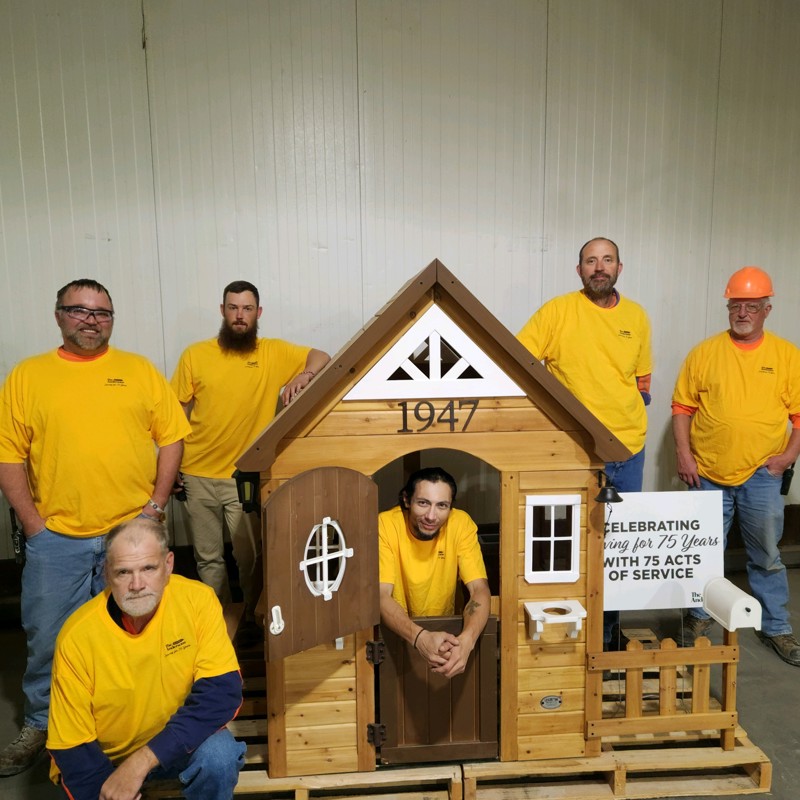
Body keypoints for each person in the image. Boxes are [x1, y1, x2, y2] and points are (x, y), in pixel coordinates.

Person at [0, 279, 190, 777]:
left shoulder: (138, 371)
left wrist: (155, 506)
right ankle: (42, 724)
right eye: (79, 311)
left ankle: (130, 723)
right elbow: (9, 456)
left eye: (102, 313)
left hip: (129, 537)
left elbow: (172, 438)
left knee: (136, 630)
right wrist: (34, 526)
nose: (91, 319)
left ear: (112, 319)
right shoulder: (28, 376)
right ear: (59, 315)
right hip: (56, 540)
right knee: (48, 638)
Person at [47, 517, 246, 799]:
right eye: (123, 572)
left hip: (176, 745)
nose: (137, 584)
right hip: (107, 761)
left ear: (168, 565)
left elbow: (221, 693)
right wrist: (109, 788)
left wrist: (142, 761)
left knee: (220, 755)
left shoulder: (197, 601)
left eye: (148, 568)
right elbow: (72, 747)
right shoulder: (77, 636)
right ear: (107, 574)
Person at [517, 237, 653, 649]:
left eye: (607, 260)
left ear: (619, 267)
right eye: (590, 261)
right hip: (573, 451)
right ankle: (564, 634)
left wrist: (621, 418)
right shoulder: (557, 311)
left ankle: (607, 635)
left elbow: (642, 383)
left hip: (628, 451)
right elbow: (518, 363)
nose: (599, 267)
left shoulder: (637, 317)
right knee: (565, 546)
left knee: (617, 552)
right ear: (579, 270)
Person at [170, 280, 330, 620]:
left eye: (246, 309)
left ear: (257, 313)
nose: (239, 316)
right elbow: (176, 416)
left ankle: (255, 623)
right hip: (195, 475)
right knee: (207, 559)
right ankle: (218, 623)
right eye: (232, 308)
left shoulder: (272, 352)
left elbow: (322, 356)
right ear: (222, 311)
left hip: (241, 479)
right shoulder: (195, 355)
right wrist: (171, 469)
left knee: (251, 559)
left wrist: (306, 374)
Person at [672, 266, 800, 666]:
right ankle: (696, 618)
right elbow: (681, 409)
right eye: (736, 305)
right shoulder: (705, 353)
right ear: (728, 307)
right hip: (707, 472)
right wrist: (684, 455)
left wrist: (787, 457)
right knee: (702, 552)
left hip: (763, 475)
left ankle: (777, 627)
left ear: (767, 309)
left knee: (766, 555)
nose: (742, 313)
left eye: (752, 306)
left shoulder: (785, 356)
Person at [378, 467, 490, 678]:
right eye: (423, 503)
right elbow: (381, 595)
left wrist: (467, 640)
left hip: (449, 637)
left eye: (442, 506)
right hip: (397, 633)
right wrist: (419, 637)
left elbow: (479, 589)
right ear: (406, 500)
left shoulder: (461, 523)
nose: (431, 516)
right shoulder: (385, 524)